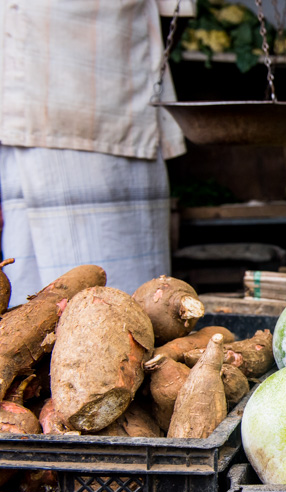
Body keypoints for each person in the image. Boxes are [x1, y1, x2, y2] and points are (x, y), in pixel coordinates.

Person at [0, 0, 186, 305]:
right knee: (26, 302)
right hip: (20, 108)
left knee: (123, 305)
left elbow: (174, 14)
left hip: (106, 99)